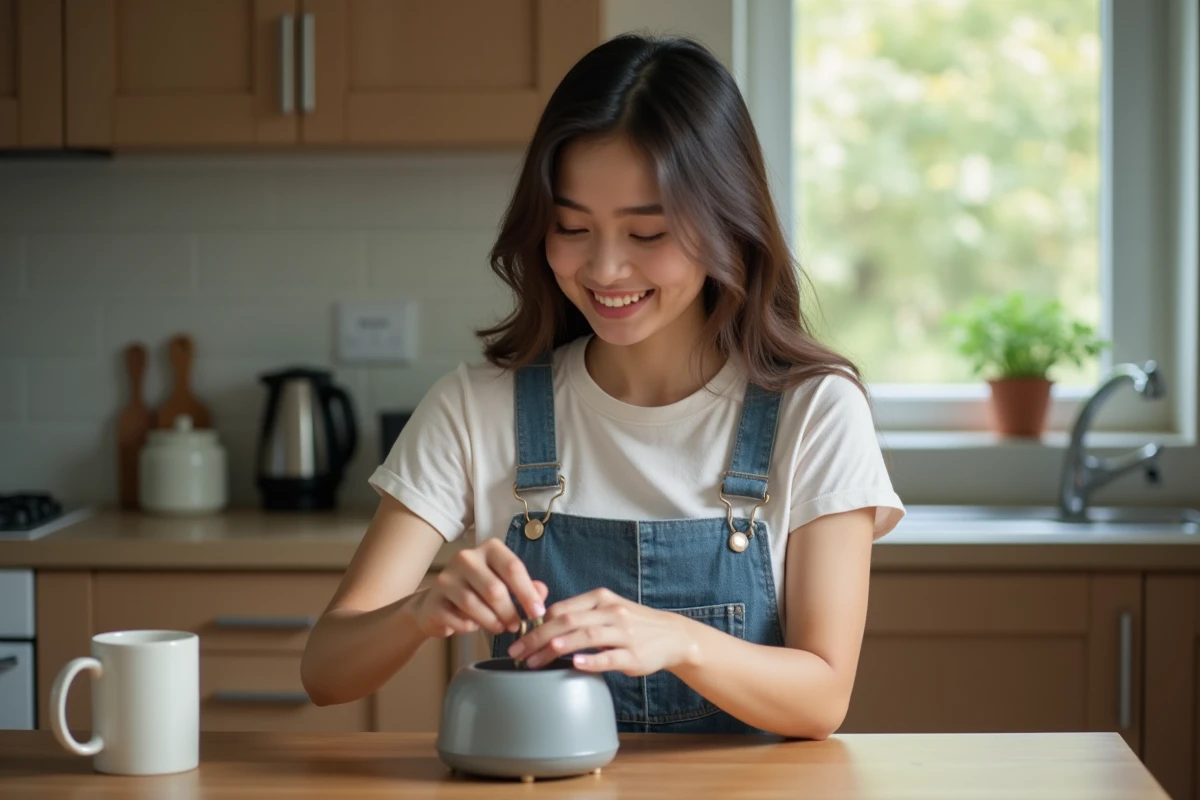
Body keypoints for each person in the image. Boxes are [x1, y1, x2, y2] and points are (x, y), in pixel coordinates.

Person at [300, 33, 904, 738]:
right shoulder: (476, 408)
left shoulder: (815, 411)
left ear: (726, 223)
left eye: (646, 234)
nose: (605, 268)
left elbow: (823, 698)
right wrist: (419, 610)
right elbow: (325, 671)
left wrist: (680, 640)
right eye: (572, 227)